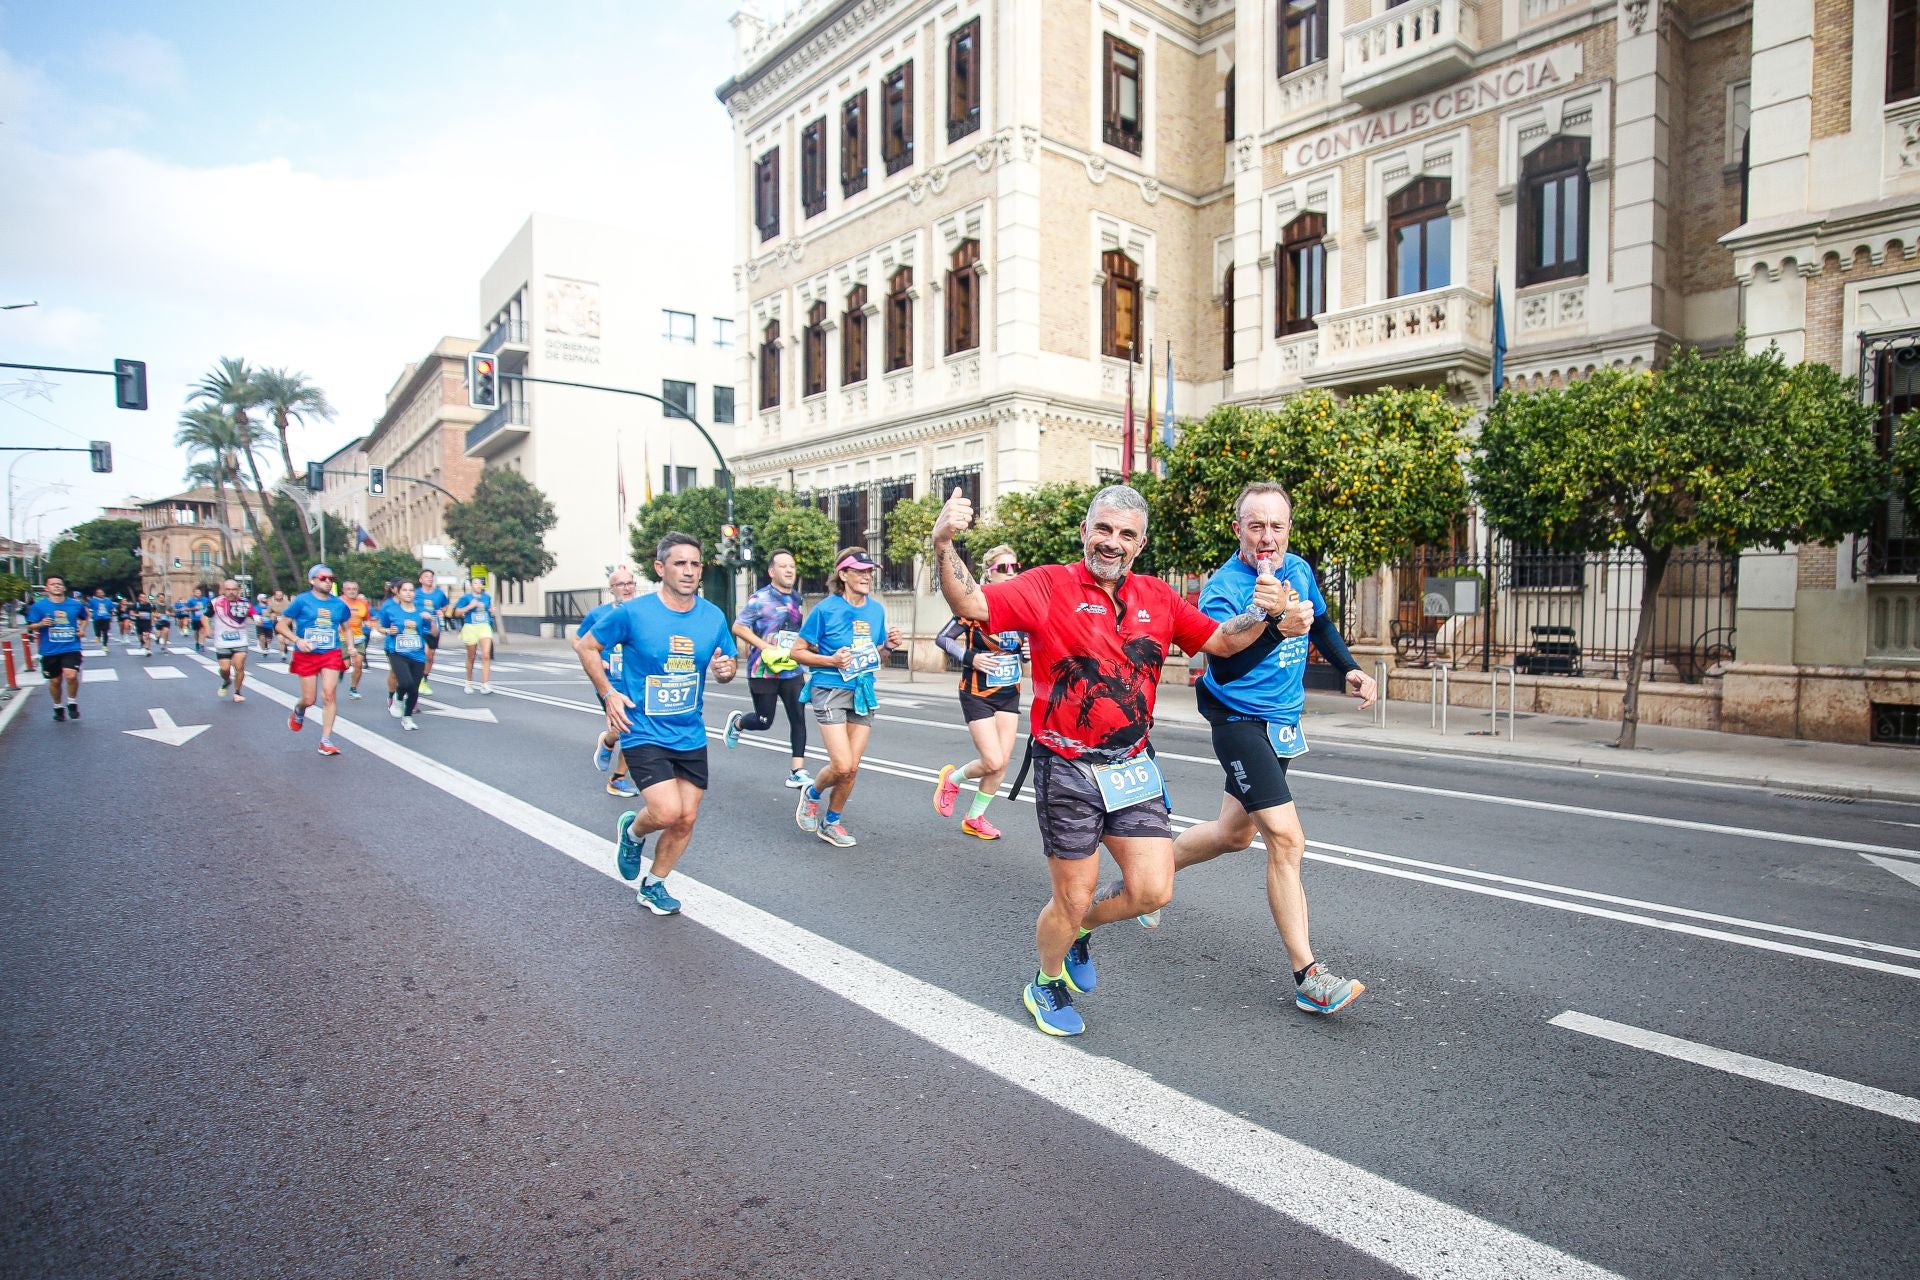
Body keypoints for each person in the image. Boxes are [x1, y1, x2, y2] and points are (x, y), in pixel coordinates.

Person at [930, 483, 1284, 1038]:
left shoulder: (1159, 597)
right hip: (1066, 765)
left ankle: (1082, 932)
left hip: (1131, 764)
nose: (1112, 542)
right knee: (1069, 895)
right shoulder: (1048, 584)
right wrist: (944, 543)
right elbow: (972, 604)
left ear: (1140, 544)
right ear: (1085, 532)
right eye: (1104, 529)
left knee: (1153, 889)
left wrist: (1264, 615)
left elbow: (1219, 641)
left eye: (1126, 534)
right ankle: (1044, 981)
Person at [1164, 482, 1377, 1016]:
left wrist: (1349, 666)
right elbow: (1225, 665)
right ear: (1238, 528)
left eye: (1276, 525)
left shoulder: (1298, 570)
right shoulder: (1223, 589)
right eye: (1255, 525)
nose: (1266, 536)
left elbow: (1322, 623)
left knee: (1234, 834)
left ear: (1288, 528)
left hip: (1281, 720)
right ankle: (1309, 977)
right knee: (1286, 837)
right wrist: (1276, 626)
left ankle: (1150, 874)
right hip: (1237, 718)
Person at [575, 533, 738, 917]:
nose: (689, 571)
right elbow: (586, 646)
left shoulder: (712, 616)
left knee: (686, 818)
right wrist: (609, 693)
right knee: (665, 812)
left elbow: (727, 667)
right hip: (644, 728)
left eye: (695, 564)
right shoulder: (634, 613)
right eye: (680, 563)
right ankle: (633, 834)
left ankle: (654, 884)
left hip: (689, 730)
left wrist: (726, 669)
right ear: (660, 568)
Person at [790, 548, 903, 849]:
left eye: (869, 571)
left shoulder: (876, 610)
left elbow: (877, 657)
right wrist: (831, 660)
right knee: (841, 765)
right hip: (829, 689)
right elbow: (797, 651)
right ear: (843, 574)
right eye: (860, 571)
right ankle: (813, 793)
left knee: (852, 767)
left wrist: (889, 647)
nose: (867, 576)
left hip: (862, 691)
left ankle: (832, 822)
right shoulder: (826, 610)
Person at [931, 544, 1027, 841]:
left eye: (1014, 567)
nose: (1010, 574)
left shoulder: (1021, 609)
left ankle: (974, 818)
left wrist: (1025, 651)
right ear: (989, 572)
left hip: (1009, 693)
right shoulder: (974, 605)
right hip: (978, 693)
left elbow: (1021, 648)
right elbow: (943, 639)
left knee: (1003, 762)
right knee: (992, 761)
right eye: (1003, 568)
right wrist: (972, 658)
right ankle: (953, 779)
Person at [723, 548, 813, 790]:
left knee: (798, 717)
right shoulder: (759, 599)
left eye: (792, 566)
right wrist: (765, 647)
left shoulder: (797, 599)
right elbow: (738, 627)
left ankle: (797, 770)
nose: (789, 570)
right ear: (772, 572)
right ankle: (739, 723)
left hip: (791, 669)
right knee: (764, 721)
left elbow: (795, 633)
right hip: (762, 670)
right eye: (783, 566)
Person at [277, 564, 352, 756]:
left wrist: (350, 646)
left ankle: (325, 741)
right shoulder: (302, 601)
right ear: (312, 580)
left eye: (331, 579)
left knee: (329, 694)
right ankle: (299, 709)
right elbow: (281, 625)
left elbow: (347, 627)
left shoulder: (339, 604)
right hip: (307, 654)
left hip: (331, 652)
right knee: (309, 699)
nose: (327, 581)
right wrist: (297, 640)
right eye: (323, 578)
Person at [578, 566, 642, 797]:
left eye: (630, 583)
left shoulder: (641, 612)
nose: (626, 588)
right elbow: (578, 642)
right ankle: (608, 742)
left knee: (632, 728)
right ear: (612, 589)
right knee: (626, 728)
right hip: (609, 682)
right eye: (621, 584)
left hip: (635, 680)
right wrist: (597, 661)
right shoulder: (598, 614)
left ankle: (617, 776)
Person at [376, 577, 437, 731]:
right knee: (405, 682)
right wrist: (389, 630)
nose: (408, 593)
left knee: (414, 689)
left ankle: (407, 717)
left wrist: (432, 620)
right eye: (405, 590)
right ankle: (397, 698)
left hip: (417, 654)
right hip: (397, 652)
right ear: (398, 592)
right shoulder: (391, 609)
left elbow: (433, 634)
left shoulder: (420, 613)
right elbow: (379, 626)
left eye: (411, 590)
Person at [26, 574, 87, 722]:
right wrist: (41, 624)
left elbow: (84, 618)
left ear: (64, 587)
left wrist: (82, 629)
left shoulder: (75, 604)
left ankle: (72, 702)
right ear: (47, 588)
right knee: (55, 681)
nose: (57, 586)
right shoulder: (39, 606)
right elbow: (30, 625)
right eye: (53, 584)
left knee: (71, 676)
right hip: (50, 649)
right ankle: (58, 706)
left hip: (71, 646)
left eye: (59, 584)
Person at [209, 578, 256, 702]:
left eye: (234, 589)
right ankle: (226, 680)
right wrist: (207, 628)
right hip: (222, 641)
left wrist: (259, 620)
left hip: (240, 641)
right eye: (228, 589)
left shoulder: (245, 603)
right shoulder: (215, 602)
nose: (231, 592)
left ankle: (237, 692)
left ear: (238, 590)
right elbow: (205, 616)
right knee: (225, 669)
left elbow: (255, 615)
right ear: (223, 590)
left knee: (239, 666)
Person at [454, 576, 494, 693]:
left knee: (486, 655)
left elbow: (489, 608)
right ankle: (469, 681)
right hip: (470, 627)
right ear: (471, 586)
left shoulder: (487, 597)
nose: (478, 585)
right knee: (471, 656)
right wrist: (470, 607)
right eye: (475, 583)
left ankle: (486, 684)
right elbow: (457, 613)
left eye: (480, 583)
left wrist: (491, 610)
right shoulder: (466, 598)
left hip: (484, 626)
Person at [415, 569, 448, 695]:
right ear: (421, 580)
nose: (429, 578)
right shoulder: (415, 593)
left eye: (431, 576)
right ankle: (417, 679)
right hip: (418, 627)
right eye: (426, 576)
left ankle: (424, 679)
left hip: (433, 627)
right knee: (423, 653)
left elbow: (445, 606)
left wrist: (442, 611)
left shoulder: (439, 594)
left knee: (430, 655)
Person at [340, 580, 373, 700]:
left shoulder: (363, 603)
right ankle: (341, 670)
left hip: (358, 638)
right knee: (346, 665)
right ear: (343, 590)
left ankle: (353, 689)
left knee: (358, 664)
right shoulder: (339, 602)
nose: (352, 591)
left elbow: (366, 618)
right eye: (349, 589)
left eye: (354, 589)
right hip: (342, 638)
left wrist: (368, 623)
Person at [264, 590, 290, 659]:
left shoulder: (287, 602)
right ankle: (283, 654)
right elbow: (266, 613)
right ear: (275, 596)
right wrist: (272, 615)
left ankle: (285, 648)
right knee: (281, 639)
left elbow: (292, 610)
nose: (279, 596)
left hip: (287, 623)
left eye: (280, 595)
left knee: (287, 641)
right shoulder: (271, 603)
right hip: (277, 623)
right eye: (278, 595)